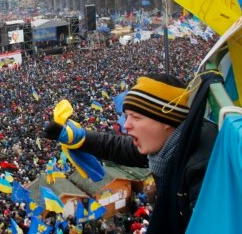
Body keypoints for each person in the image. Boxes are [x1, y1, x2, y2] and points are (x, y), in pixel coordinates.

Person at [45, 73, 218, 234]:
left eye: (135, 117)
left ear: (166, 120)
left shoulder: (205, 170)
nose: (126, 125)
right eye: (126, 116)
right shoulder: (169, 145)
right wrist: (80, 138)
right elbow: (118, 147)